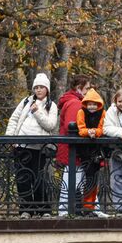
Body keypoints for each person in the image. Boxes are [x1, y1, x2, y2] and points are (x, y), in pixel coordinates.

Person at [5, 73, 60, 215]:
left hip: (39, 148)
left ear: (47, 89)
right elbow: (14, 119)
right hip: (21, 146)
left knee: (39, 178)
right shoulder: (25, 102)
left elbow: (51, 125)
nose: (39, 90)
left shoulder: (51, 105)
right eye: (36, 87)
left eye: (42, 87)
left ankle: (43, 209)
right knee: (22, 179)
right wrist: (11, 138)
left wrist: (37, 112)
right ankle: (26, 210)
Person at [69, 88, 108, 216]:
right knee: (89, 178)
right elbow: (81, 129)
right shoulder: (81, 112)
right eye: (89, 104)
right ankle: (87, 207)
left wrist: (95, 133)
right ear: (86, 103)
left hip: (97, 150)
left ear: (98, 104)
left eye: (94, 104)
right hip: (85, 151)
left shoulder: (103, 113)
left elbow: (103, 128)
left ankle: (90, 206)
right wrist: (89, 132)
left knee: (94, 178)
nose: (92, 106)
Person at [55, 74, 91, 209]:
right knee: (72, 180)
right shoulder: (75, 103)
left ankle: (92, 208)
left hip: (72, 149)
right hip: (74, 149)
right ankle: (64, 211)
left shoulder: (72, 101)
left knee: (79, 180)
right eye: (86, 88)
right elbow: (72, 127)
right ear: (78, 88)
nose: (88, 91)